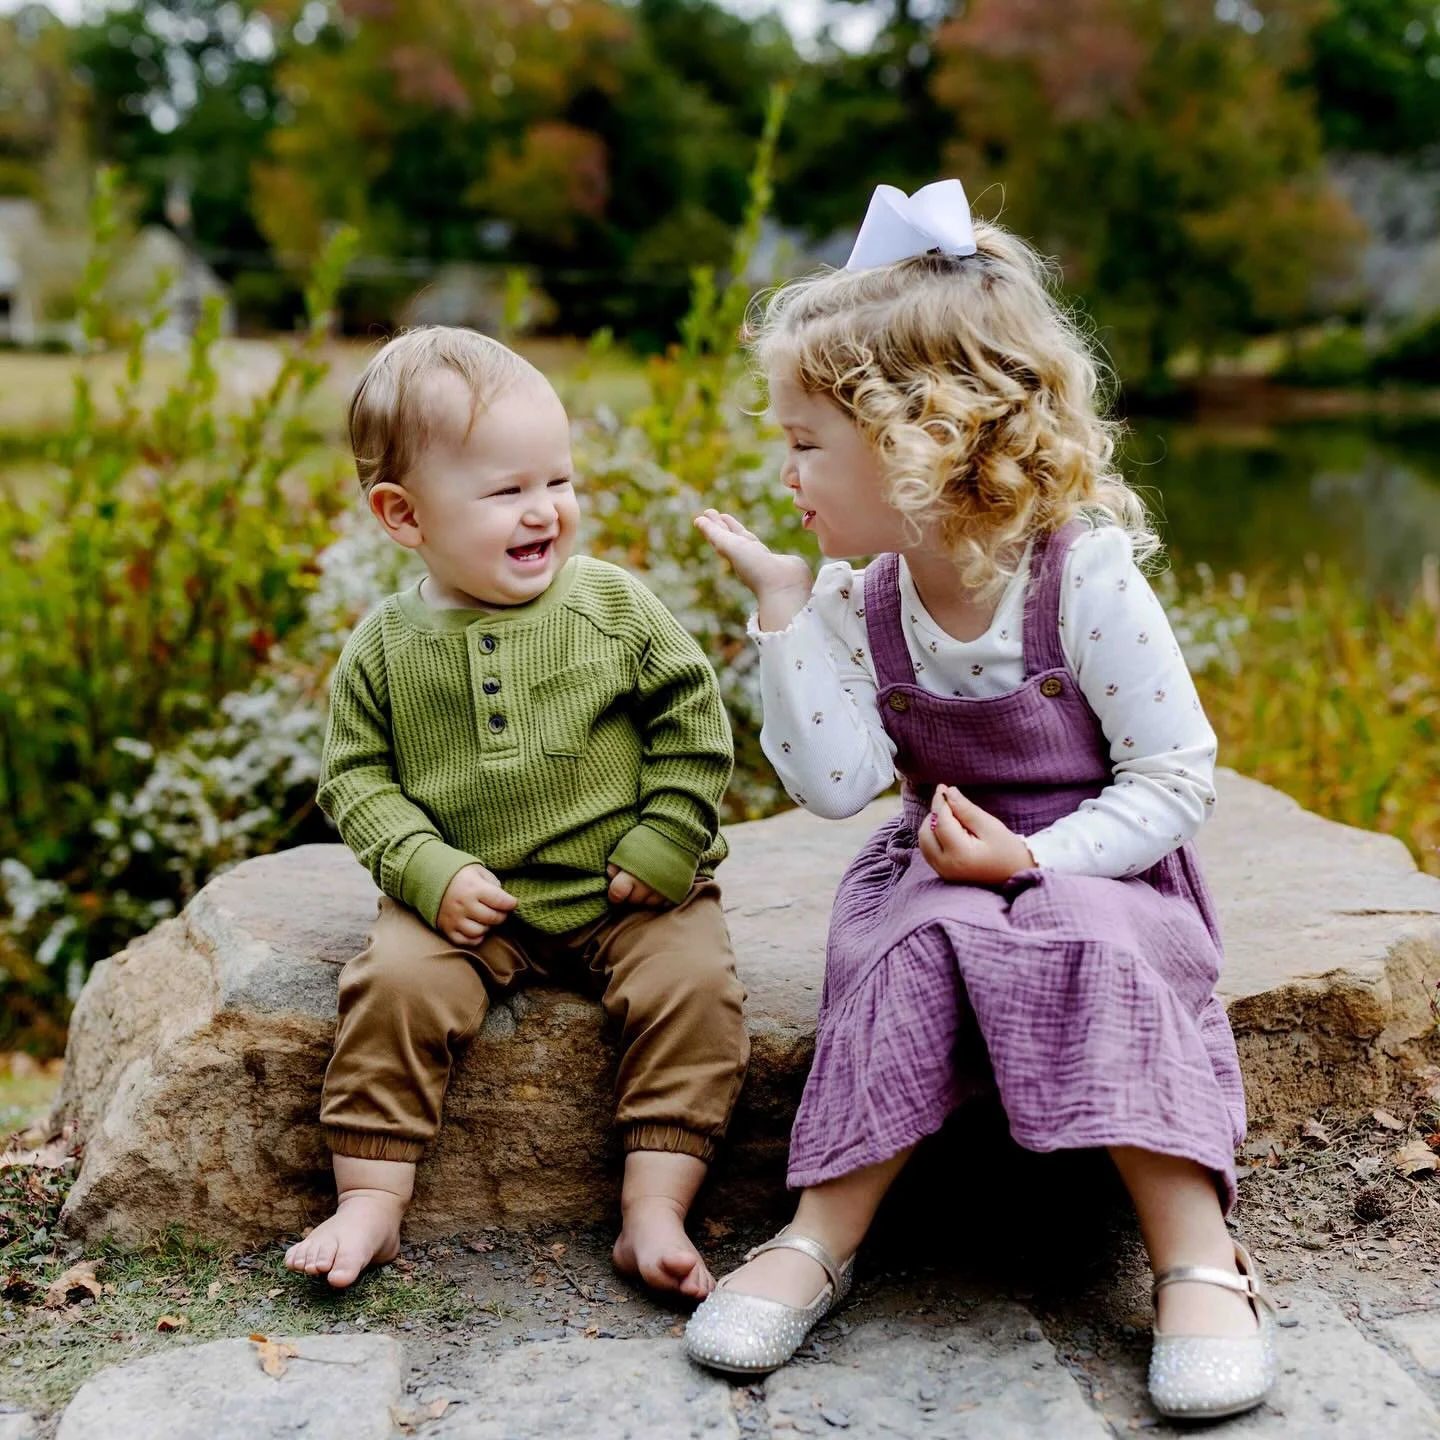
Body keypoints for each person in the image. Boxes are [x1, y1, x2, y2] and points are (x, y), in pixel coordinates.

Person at [685, 181, 1274, 1421]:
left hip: (1100, 866)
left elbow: (1174, 777)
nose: (785, 471)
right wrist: (784, 615)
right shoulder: (862, 602)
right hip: (940, 866)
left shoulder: (1082, 578)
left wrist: (1035, 860)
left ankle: (1196, 1255)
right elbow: (840, 785)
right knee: (915, 949)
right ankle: (819, 1234)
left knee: (1096, 946)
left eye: (807, 443)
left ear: (923, 438)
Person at [285, 326, 746, 1300]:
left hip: (628, 896)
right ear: (403, 515)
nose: (544, 510)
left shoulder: (612, 606)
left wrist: (667, 837)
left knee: (696, 988)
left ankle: (653, 1208)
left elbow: (693, 720)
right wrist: (428, 871)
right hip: (472, 911)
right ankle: (371, 1198)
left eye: (558, 480)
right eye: (505, 491)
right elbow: (355, 780)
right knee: (393, 988)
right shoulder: (385, 647)